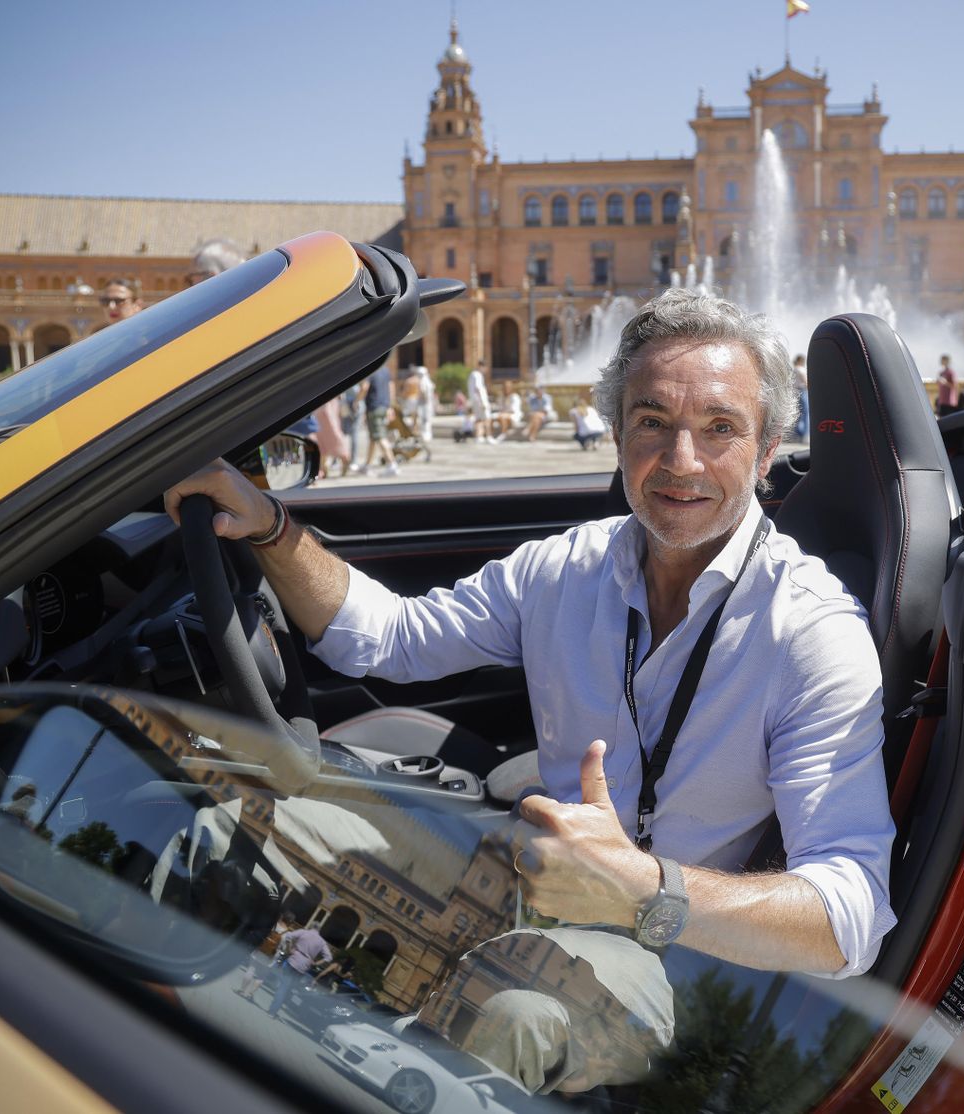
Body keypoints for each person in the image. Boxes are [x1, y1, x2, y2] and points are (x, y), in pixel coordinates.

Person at [164, 288, 895, 1094]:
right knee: (236, 830)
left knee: (508, 1011)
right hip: (519, 876)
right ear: (616, 434)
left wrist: (647, 887)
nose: (682, 460)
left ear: (765, 453)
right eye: (653, 422)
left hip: (662, 945)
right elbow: (389, 639)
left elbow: (850, 915)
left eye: (720, 428)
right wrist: (266, 524)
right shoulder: (563, 568)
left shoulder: (810, 629)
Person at [266, 915, 333, 1018]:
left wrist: (290, 949)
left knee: (283, 986)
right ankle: (275, 1010)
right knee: (288, 989)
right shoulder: (321, 942)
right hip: (304, 966)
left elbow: (288, 936)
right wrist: (316, 963)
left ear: (311, 926)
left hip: (293, 960)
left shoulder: (304, 932)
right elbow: (329, 957)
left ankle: (272, 1010)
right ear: (319, 930)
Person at [356, 366, 401, 477]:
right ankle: (367, 465)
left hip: (374, 407)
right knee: (373, 437)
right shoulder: (385, 369)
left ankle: (392, 465)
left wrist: (356, 401)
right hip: (383, 407)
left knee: (380, 437)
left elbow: (364, 388)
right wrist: (390, 406)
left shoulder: (369, 369)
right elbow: (391, 387)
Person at [468, 362, 497, 443]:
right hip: (480, 401)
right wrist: (483, 402)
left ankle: (479, 436)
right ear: (481, 366)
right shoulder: (477, 375)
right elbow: (478, 389)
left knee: (479, 419)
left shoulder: (472, 375)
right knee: (487, 419)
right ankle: (489, 436)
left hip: (475, 401)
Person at [792, 354, 810, 441]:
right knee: (805, 413)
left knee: (798, 414)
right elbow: (805, 381)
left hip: (796, 391)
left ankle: (797, 434)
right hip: (802, 391)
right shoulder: (801, 369)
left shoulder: (794, 369)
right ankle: (804, 435)